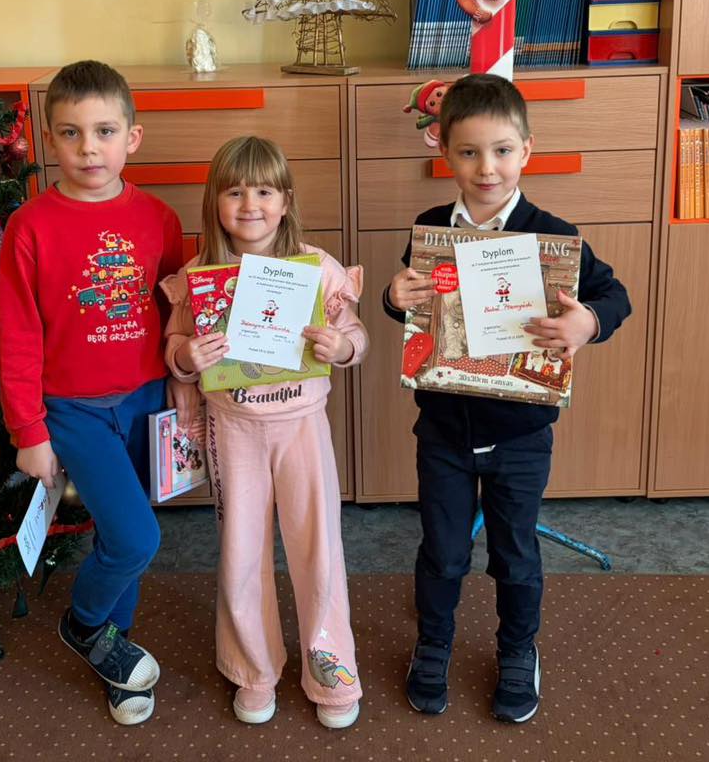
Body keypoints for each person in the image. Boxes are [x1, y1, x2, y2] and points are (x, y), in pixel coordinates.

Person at [385, 73, 632, 723]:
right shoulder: (430, 229)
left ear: (526, 150)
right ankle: (434, 644)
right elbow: (413, 310)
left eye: (500, 151)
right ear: (445, 152)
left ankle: (518, 649)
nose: (486, 168)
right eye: (468, 152)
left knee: (515, 552)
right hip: (443, 430)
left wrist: (586, 323)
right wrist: (392, 297)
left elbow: (615, 297)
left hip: (520, 435)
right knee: (442, 550)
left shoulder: (553, 236)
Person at [0, 60, 183, 726]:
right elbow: (18, 334)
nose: (88, 148)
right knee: (135, 540)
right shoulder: (31, 226)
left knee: (117, 534)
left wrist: (183, 393)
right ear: (50, 139)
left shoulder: (159, 218)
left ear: (132, 137)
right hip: (72, 411)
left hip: (145, 401)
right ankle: (82, 625)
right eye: (71, 133)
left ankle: (114, 654)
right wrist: (30, 432)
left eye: (104, 131)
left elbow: (180, 313)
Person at [163, 135, 368, 729]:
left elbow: (356, 335)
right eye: (234, 192)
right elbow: (173, 346)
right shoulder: (199, 275)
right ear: (215, 201)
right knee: (241, 555)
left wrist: (342, 345)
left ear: (285, 201)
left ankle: (331, 672)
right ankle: (253, 669)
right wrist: (186, 357)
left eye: (263, 192)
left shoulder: (316, 268)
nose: (249, 205)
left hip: (301, 428)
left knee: (318, 553)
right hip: (233, 432)